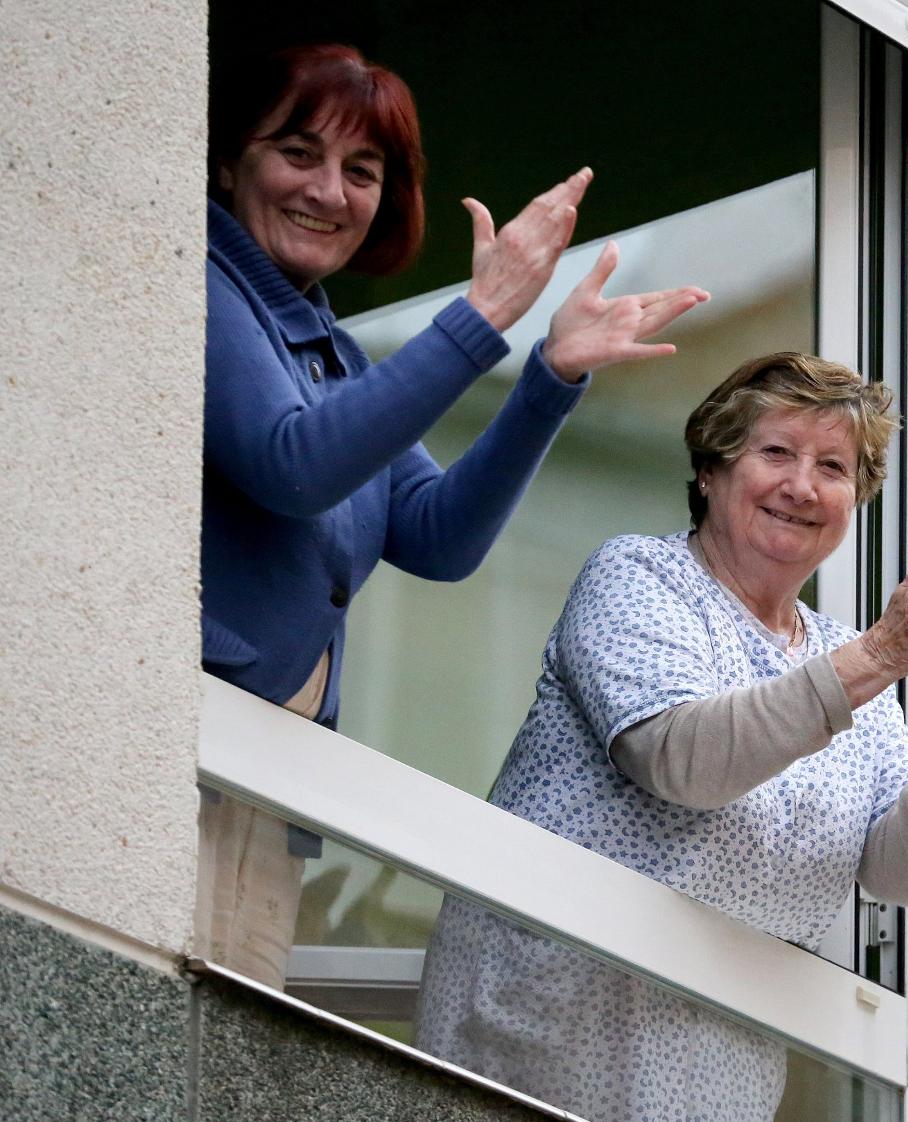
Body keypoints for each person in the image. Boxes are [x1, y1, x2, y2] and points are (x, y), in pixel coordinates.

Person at [415, 352, 908, 1122]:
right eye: (775, 452)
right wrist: (879, 658)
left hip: (716, 1070)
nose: (802, 486)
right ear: (711, 471)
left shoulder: (845, 661)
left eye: (833, 467)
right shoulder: (640, 577)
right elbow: (681, 761)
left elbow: (901, 874)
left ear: (855, 500)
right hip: (544, 1033)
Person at [196, 43, 709, 988]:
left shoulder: (331, 353)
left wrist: (550, 379)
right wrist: (479, 318)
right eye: (297, 153)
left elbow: (435, 537)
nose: (330, 191)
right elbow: (293, 465)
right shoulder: (201, 286)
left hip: (269, 785)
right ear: (231, 162)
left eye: (363, 171)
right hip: (179, 761)